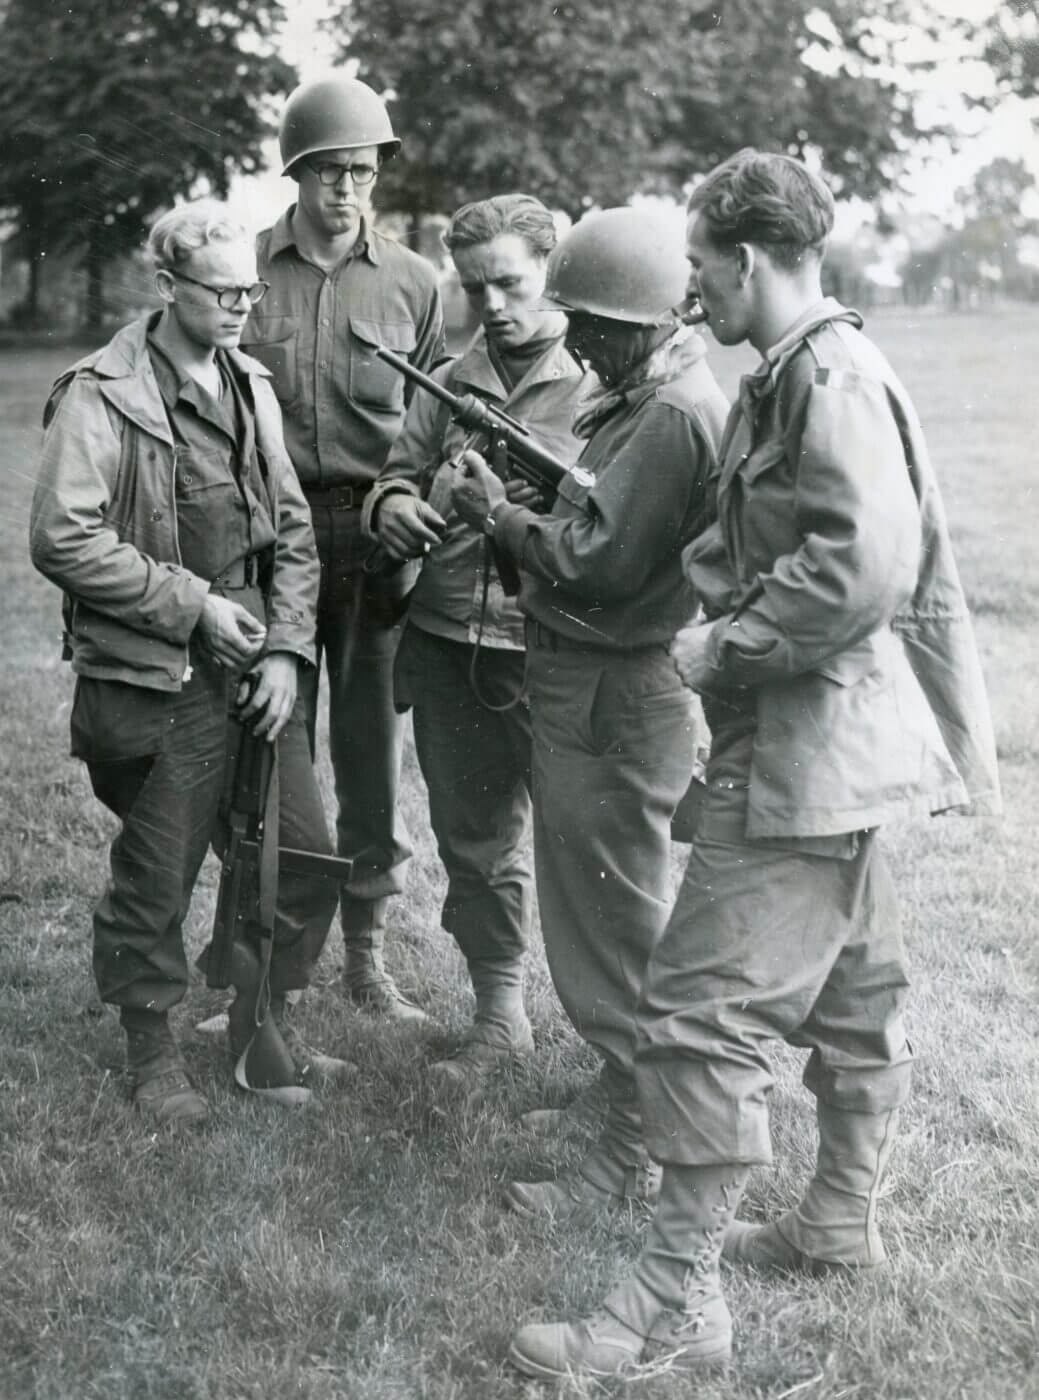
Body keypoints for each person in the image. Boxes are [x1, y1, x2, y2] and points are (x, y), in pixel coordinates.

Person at [507, 149, 1002, 1381]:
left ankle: (668, 1310)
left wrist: (723, 640)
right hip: (844, 743)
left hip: (803, 750)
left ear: (744, 258)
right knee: (852, 989)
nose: (692, 301)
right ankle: (837, 1214)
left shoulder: (823, 377)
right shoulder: (808, 369)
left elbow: (868, 566)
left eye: (703, 273)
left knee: (698, 1015)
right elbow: (887, 567)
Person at [29, 200, 348, 1126]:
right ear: (168, 289)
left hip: (255, 647)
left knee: (300, 846)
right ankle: (150, 1046)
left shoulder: (249, 380)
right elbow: (62, 535)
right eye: (223, 291)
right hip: (163, 660)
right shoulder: (102, 392)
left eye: (251, 288)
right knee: (160, 860)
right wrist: (191, 605)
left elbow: (291, 528)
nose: (244, 305)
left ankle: (261, 1016)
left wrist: (287, 648)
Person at [450, 208, 728, 1214]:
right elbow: (603, 512)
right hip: (599, 680)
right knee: (597, 909)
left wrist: (496, 513)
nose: (577, 340)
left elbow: (595, 561)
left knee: (612, 923)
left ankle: (631, 1153)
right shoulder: (651, 393)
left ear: (642, 320)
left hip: (614, 685)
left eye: (593, 323)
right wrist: (544, 486)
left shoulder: (667, 412)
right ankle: (620, 1099)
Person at [361, 193, 594, 1093]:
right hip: (452, 639)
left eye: (511, 282)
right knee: (473, 839)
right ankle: (499, 1013)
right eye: (475, 287)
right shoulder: (451, 379)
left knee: (585, 845)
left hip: (559, 644)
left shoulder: (603, 376)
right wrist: (396, 509)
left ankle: (618, 1046)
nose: (493, 304)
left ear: (554, 271)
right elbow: (393, 472)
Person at [243, 76, 446, 1022]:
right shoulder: (250, 272)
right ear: (296, 175)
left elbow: (441, 423)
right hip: (273, 540)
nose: (346, 192)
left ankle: (366, 957)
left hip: (373, 539)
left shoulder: (412, 281)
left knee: (369, 750)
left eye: (361, 173)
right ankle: (264, 956)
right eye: (327, 173)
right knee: (271, 746)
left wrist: (410, 509)